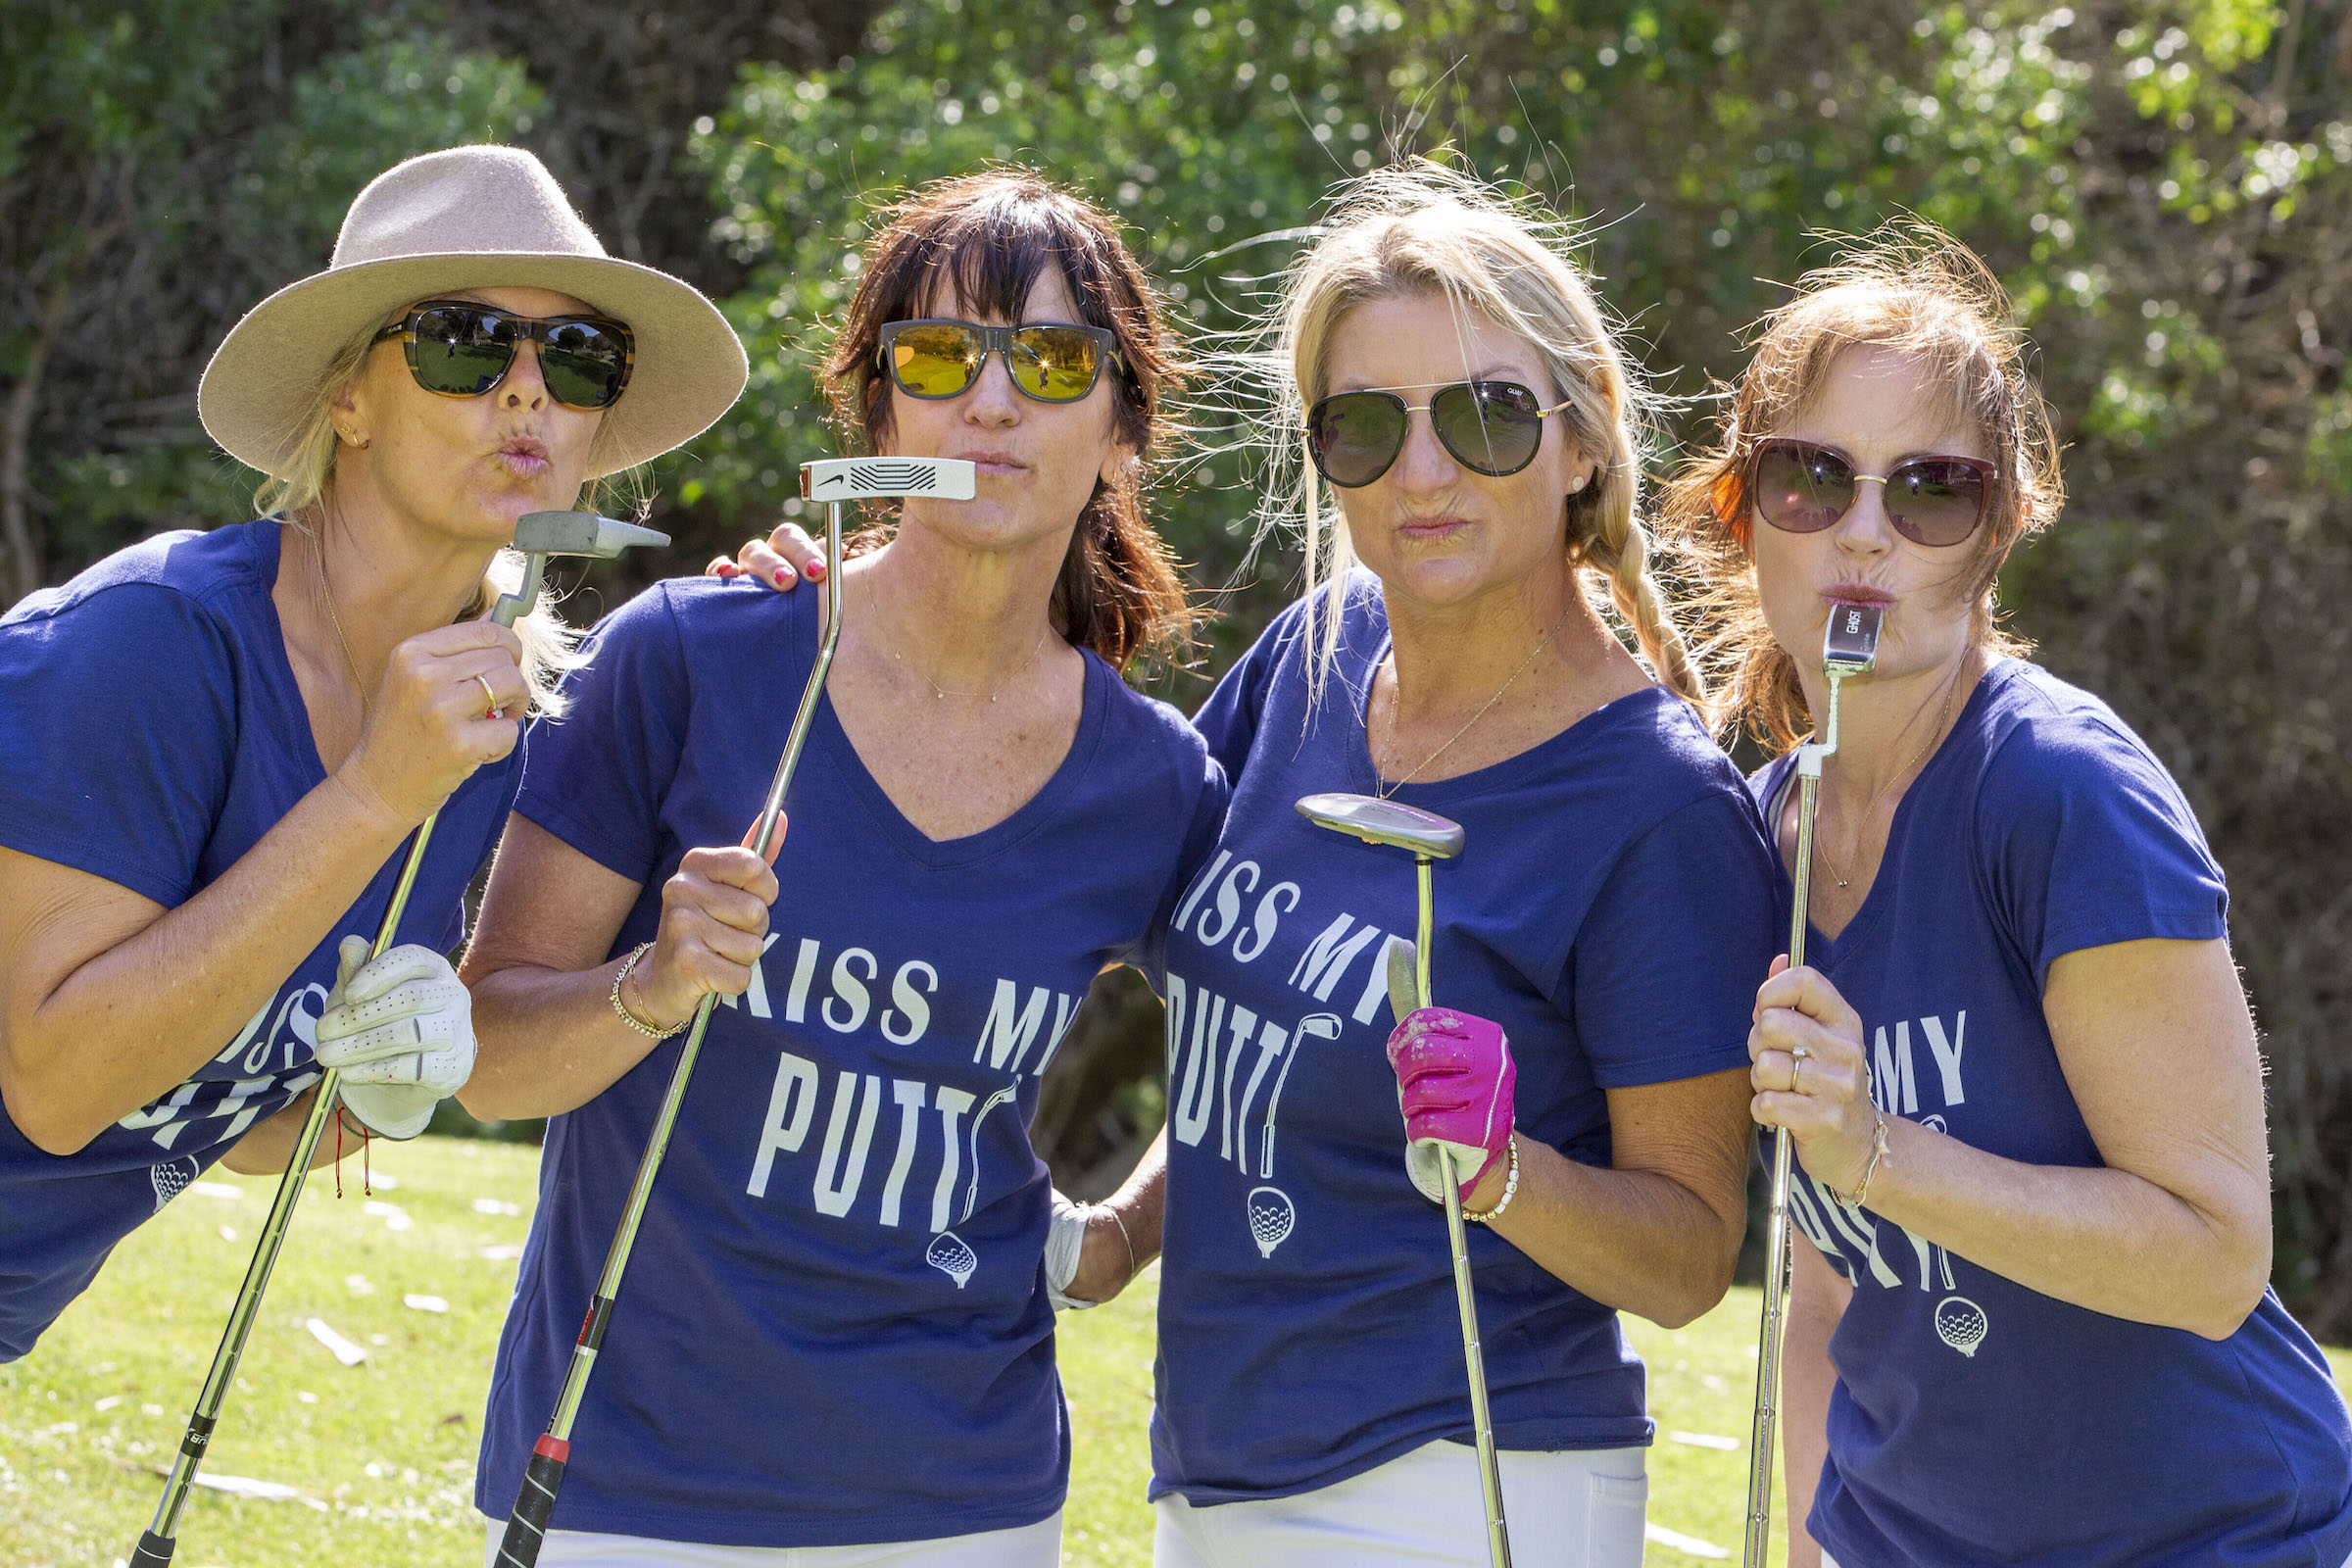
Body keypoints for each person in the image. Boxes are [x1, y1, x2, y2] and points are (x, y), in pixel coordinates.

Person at [457, 171, 1223, 1567]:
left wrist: (1113, 1236)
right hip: (628, 1487)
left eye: (1054, 361)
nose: (991, 405)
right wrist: (653, 981)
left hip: (966, 1507)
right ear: (880, 412)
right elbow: (487, 1054)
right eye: (938, 356)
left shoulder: (1159, 784)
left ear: (1121, 428)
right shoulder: (687, 659)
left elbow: (1262, 1065)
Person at [1663, 227, 2352, 1567]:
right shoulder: (1764, 838)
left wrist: (1882, 1151)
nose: (1866, 533)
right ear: (1743, 516)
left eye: (1931, 491)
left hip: (2210, 1537)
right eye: (1811, 479)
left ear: (2000, 529)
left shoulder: (2059, 792)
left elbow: (2216, 1259)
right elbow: (1824, 1288)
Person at [0, 144, 744, 1364]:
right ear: (346, 398)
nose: (527, 394)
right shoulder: (154, 643)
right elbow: (62, 1085)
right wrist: (369, 796)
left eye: (576, 358)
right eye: (464, 342)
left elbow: (219, 1108)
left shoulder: (476, 730)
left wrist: (375, 1095)